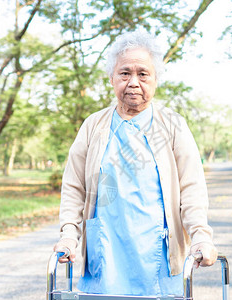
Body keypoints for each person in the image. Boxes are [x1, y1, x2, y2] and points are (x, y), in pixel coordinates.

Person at [54, 30, 218, 296]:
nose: (133, 82)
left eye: (143, 74)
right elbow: (74, 187)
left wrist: (200, 235)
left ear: (155, 80)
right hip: (105, 255)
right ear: (112, 79)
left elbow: (191, 189)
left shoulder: (172, 125)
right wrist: (69, 235)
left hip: (158, 257)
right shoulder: (94, 126)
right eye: (124, 73)